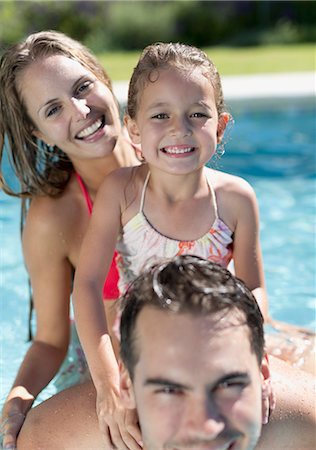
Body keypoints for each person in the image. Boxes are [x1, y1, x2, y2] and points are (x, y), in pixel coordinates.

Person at [72, 41, 314, 445]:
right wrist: (106, 382)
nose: (178, 129)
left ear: (219, 127)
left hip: (214, 336)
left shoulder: (236, 199)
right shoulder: (122, 191)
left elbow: (252, 289)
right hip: (141, 341)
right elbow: (88, 285)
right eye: (160, 115)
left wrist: (256, 357)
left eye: (197, 115)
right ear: (133, 129)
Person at [0, 30, 140, 449]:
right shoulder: (54, 218)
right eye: (53, 109)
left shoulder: (173, 156)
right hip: (103, 373)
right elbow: (50, 340)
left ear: (103, 79)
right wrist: (17, 402)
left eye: (83, 87)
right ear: (40, 133)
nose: (80, 111)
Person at [118, 255, 316, 449]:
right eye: (170, 390)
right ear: (126, 387)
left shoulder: (306, 429)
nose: (206, 429)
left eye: (229, 384)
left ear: (263, 376)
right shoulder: (90, 441)